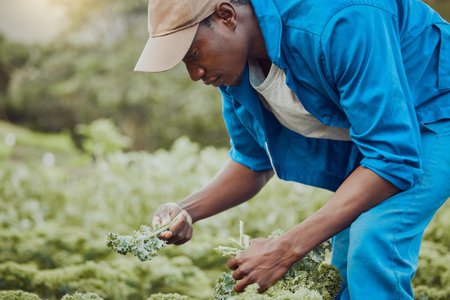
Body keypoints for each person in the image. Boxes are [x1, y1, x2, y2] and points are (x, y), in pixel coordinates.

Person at [134, 0, 450, 298]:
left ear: (227, 16)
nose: (194, 74)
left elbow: (392, 157)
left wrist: (286, 248)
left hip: (435, 108)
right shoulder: (234, 73)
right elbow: (252, 162)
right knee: (342, 267)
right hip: (383, 141)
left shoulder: (341, 20)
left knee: (373, 240)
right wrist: (186, 210)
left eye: (193, 54)